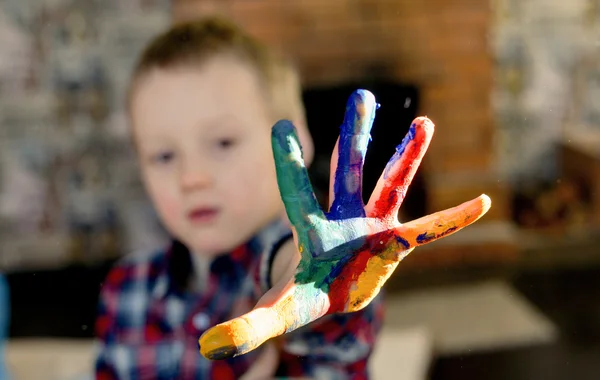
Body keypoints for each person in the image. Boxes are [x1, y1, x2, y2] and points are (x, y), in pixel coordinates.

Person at [94, 15, 490, 380]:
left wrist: (306, 281)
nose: (191, 177)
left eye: (223, 141)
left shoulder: (305, 265)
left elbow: (307, 292)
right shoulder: (125, 287)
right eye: (163, 155)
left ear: (296, 143)